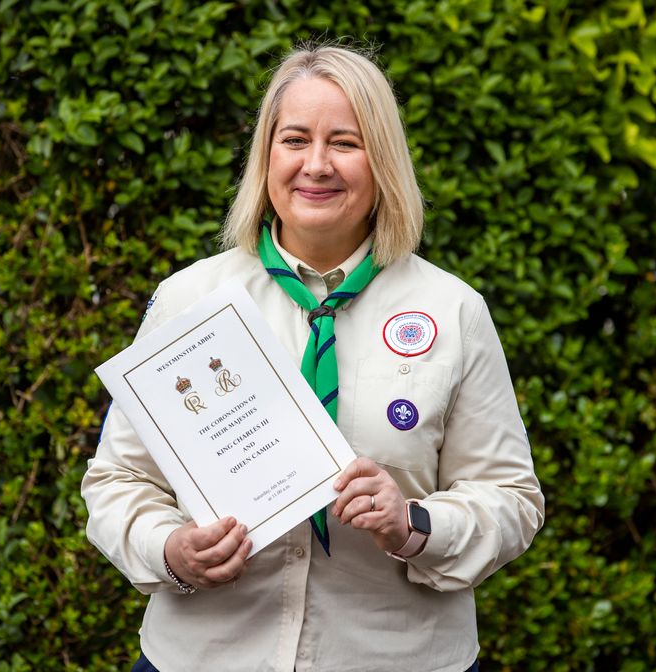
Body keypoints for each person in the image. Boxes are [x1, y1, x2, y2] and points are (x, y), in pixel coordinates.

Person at [82, 44, 544, 672]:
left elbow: (511, 497)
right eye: (295, 139)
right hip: (205, 657)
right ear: (266, 157)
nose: (316, 165)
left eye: (346, 143)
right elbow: (118, 482)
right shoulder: (189, 301)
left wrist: (413, 523)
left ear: (381, 159)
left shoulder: (453, 311)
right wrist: (170, 550)